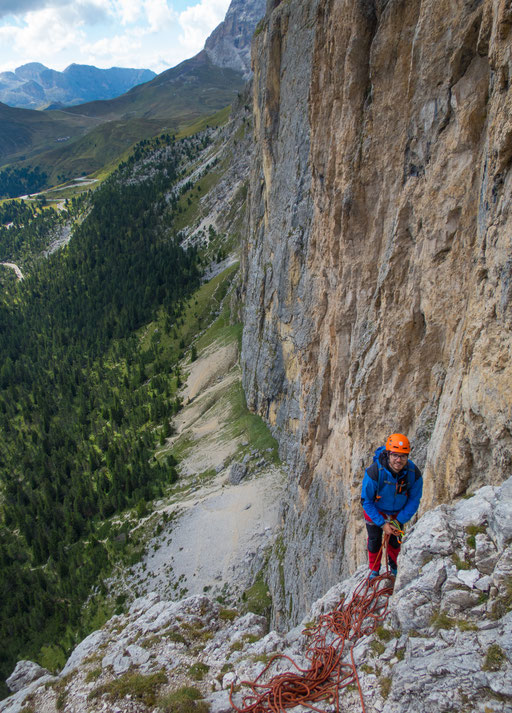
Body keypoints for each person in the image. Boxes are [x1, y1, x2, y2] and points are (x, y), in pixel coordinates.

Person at [361, 433, 423, 580]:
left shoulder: (413, 474)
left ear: (407, 456)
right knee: (375, 540)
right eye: (395, 455)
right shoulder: (374, 473)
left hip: (397, 513)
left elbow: (414, 500)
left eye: (402, 456)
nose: (398, 460)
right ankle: (374, 570)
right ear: (388, 454)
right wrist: (382, 524)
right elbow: (366, 501)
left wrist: (398, 520)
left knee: (395, 542)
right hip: (376, 510)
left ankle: (395, 568)